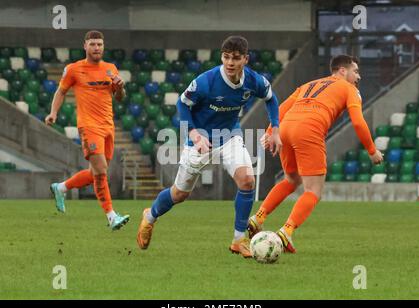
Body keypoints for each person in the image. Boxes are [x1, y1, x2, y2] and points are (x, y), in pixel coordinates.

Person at [136, 36, 282, 257]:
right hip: (200, 138)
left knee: (247, 180)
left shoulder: (254, 81)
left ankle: (238, 239)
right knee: (179, 194)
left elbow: (271, 98)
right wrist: (194, 134)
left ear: (246, 59)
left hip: (230, 135)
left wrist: (276, 130)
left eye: (235, 58)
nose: (230, 63)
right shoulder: (206, 81)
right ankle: (150, 216)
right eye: (226, 57)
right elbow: (182, 104)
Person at [248, 55, 384, 253]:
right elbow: (357, 121)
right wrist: (372, 151)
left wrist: (271, 132)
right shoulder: (349, 89)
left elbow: (282, 108)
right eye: (355, 71)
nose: (359, 76)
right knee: (313, 191)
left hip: (286, 128)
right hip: (309, 129)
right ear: (342, 71)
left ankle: (258, 217)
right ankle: (286, 233)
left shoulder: (309, 84)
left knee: (291, 179)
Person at [45, 30, 130, 231]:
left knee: (96, 172)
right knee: (101, 172)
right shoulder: (74, 69)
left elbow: (119, 98)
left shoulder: (110, 68)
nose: (96, 48)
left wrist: (120, 87)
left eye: (99, 44)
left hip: (108, 126)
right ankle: (111, 217)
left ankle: (61, 187)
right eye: (92, 44)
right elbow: (61, 91)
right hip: (89, 126)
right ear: (85, 46)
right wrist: (53, 113)